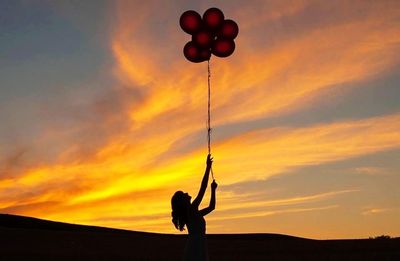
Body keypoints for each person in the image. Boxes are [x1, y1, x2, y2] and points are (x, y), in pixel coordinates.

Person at [171, 154, 218, 261]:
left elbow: (212, 207)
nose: (186, 193)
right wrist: (207, 167)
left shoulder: (193, 213)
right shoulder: (191, 210)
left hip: (198, 244)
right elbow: (202, 188)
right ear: (182, 202)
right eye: (183, 194)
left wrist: (213, 190)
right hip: (196, 246)